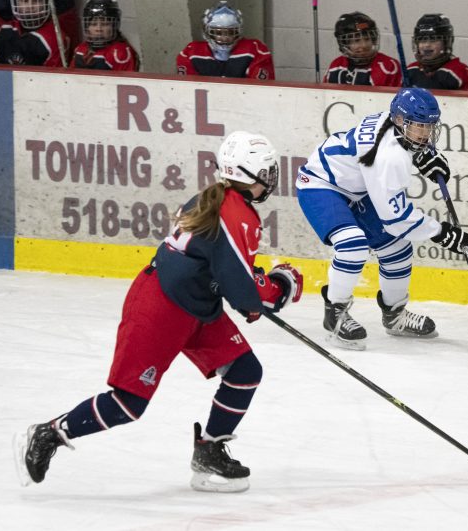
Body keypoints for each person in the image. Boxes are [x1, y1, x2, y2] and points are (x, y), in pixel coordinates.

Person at [17, 131, 302, 493]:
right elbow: (241, 290)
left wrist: (262, 285)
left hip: (196, 306)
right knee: (128, 404)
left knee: (245, 370)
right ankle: (50, 433)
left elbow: (224, 267)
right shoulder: (235, 214)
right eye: (268, 170)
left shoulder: (219, 201)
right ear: (251, 174)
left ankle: (209, 451)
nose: (272, 178)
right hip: (161, 307)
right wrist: (278, 289)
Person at [295, 87, 468, 350]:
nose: (425, 133)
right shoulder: (390, 158)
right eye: (419, 126)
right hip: (320, 185)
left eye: (429, 126)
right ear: (401, 121)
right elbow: (396, 219)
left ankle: (395, 314)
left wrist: (422, 155)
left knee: (398, 248)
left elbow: (397, 148)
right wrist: (441, 232)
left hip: (356, 188)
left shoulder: (393, 124)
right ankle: (335, 311)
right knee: (352, 245)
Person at [176, 1, 274, 79]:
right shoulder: (191, 52)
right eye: (218, 33)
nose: (225, 37)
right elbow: (187, 91)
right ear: (207, 31)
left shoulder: (255, 50)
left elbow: (260, 91)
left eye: (230, 32)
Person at [0, 0, 64, 67]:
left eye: (35, 0)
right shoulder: (5, 31)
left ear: (47, 2)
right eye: (25, 1)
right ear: (16, 2)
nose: (30, 6)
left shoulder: (53, 38)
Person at [325, 11, 402, 87]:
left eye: (367, 39)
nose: (364, 45)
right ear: (345, 44)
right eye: (356, 40)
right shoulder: (336, 65)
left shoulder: (389, 66)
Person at [404, 14, 468, 91]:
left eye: (433, 40)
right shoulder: (411, 70)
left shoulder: (460, 72)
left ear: (446, 43)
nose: (427, 45)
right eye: (422, 40)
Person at [71, 0, 140, 71]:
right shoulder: (80, 49)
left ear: (114, 26)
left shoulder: (120, 52)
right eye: (93, 24)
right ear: (87, 27)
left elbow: (126, 81)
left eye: (104, 24)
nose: (99, 29)